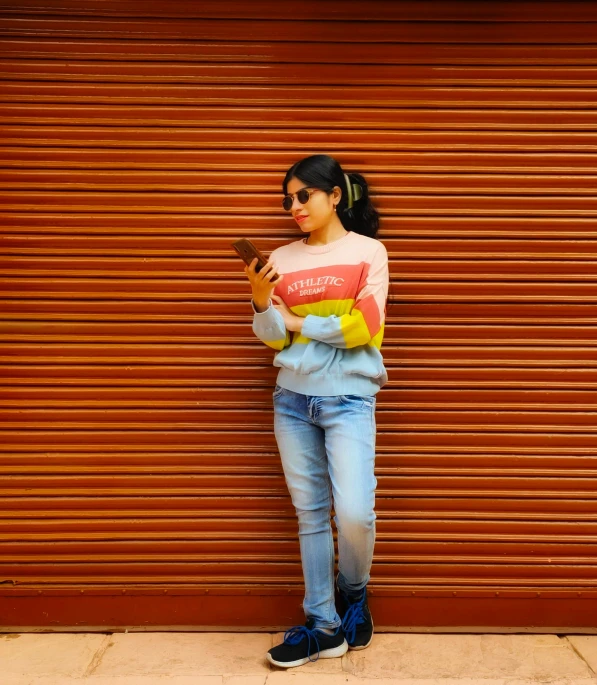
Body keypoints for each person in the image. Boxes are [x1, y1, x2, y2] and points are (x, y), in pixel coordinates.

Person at [244, 154, 389, 669]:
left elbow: (365, 327)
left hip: (350, 396)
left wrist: (298, 320)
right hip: (293, 398)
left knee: (354, 514)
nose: (294, 205)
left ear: (334, 196)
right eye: (288, 198)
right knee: (310, 515)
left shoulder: (369, 252)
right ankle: (323, 624)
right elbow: (274, 338)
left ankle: (354, 594)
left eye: (304, 194)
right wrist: (264, 303)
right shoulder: (282, 258)